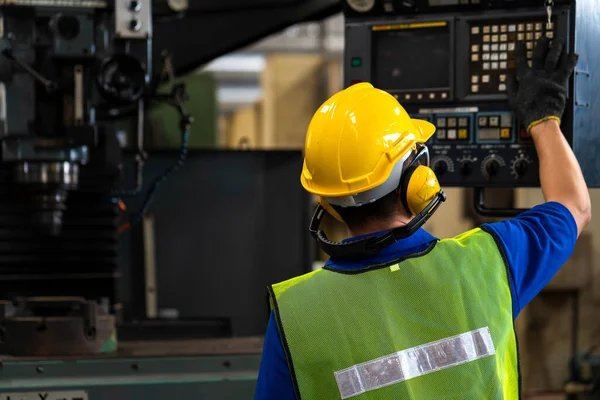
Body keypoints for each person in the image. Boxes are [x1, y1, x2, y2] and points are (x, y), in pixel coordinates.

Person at [255, 36, 591, 399]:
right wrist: (543, 120)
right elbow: (575, 205)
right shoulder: (491, 261)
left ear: (330, 203)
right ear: (419, 179)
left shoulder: (295, 315)